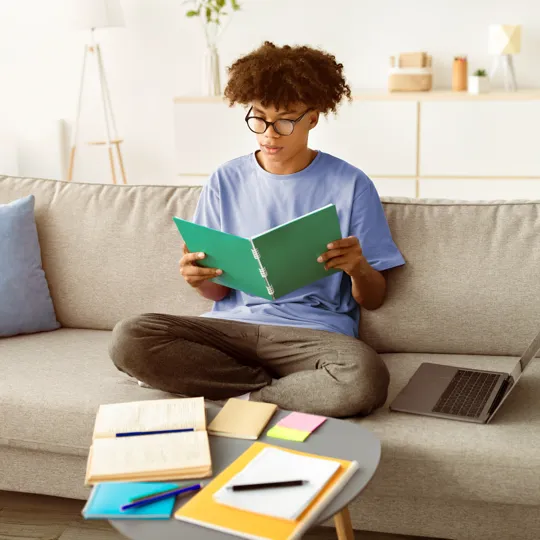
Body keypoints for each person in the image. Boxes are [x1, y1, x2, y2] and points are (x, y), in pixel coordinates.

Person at [109, 41, 405, 418]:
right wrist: (198, 278)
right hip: (231, 332)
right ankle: (281, 391)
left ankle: (241, 396)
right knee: (129, 337)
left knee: (364, 378)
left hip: (314, 335)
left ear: (313, 118)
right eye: (259, 117)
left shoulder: (351, 184)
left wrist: (357, 266)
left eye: (285, 120)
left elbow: (375, 299)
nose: (269, 133)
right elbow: (216, 291)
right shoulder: (224, 180)